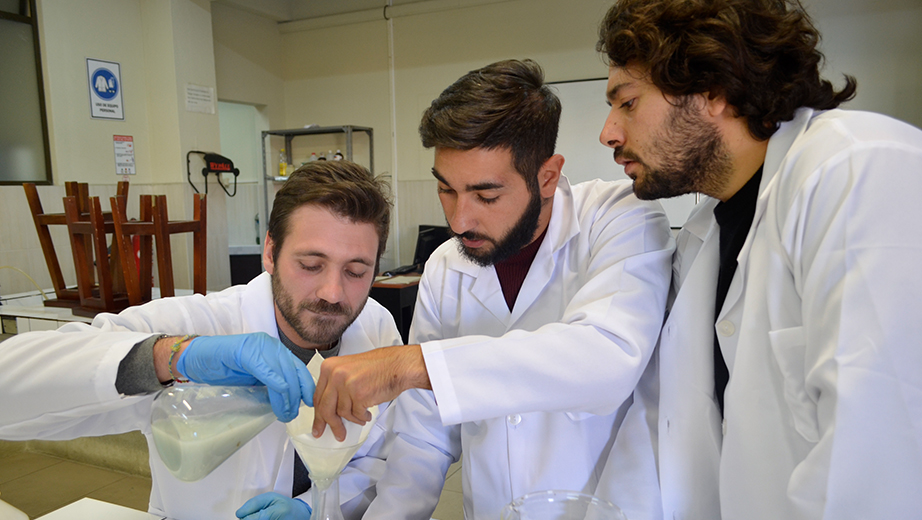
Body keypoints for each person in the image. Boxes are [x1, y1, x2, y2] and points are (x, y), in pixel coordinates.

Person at [594, 0, 922, 519]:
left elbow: (877, 453)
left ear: (714, 91)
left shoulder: (858, 168)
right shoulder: (705, 234)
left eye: (628, 103)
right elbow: (665, 424)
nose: (608, 132)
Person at [314, 59, 674, 520]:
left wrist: (413, 364)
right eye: (446, 190)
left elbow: (607, 357)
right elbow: (423, 435)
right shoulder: (447, 266)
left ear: (547, 176)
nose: (460, 220)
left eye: (486, 196)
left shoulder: (619, 217)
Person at [0, 161, 402, 520]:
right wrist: (170, 357)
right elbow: (8, 388)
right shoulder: (197, 323)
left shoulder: (376, 328)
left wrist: (313, 505)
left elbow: (385, 455)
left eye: (355, 271)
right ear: (270, 252)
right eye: (311, 265)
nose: (333, 292)